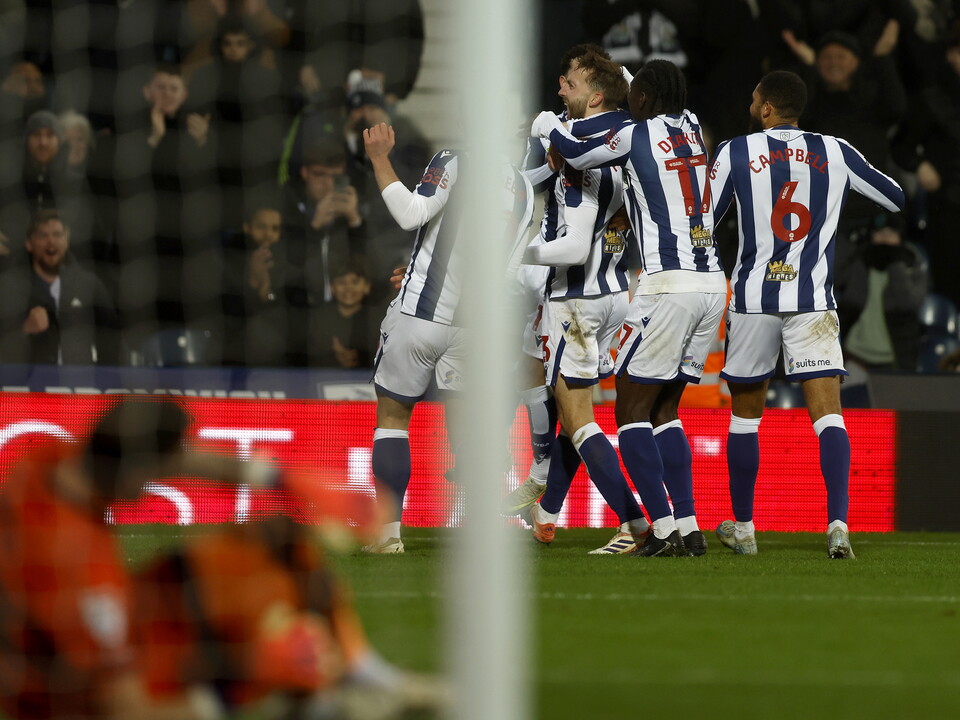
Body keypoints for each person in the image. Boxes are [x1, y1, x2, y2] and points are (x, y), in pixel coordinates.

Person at [707, 70, 905, 558]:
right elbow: (894, 198)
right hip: (812, 300)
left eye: (755, 99)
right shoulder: (835, 150)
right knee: (828, 417)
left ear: (768, 108)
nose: (751, 104)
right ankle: (838, 524)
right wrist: (833, 210)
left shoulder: (735, 151)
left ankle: (746, 530)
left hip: (754, 298)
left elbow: (703, 221)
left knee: (745, 418)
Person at [534, 58, 727, 557]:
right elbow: (650, 91)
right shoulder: (692, 129)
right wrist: (626, 77)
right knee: (666, 410)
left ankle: (660, 530)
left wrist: (546, 124)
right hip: (711, 287)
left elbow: (575, 152)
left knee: (631, 410)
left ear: (639, 102)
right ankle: (689, 526)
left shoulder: (636, 135)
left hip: (667, 286)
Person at [0, 397, 260, 719]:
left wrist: (268, 475)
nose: (160, 484)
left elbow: (168, 458)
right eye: (156, 476)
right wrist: (244, 686)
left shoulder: (45, 460)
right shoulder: (90, 585)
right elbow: (128, 712)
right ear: (136, 475)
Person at [360, 121, 533, 553]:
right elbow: (508, 276)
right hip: (477, 329)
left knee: (394, 418)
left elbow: (409, 215)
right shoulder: (524, 189)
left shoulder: (454, 161)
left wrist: (380, 158)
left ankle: (387, 536)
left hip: (422, 316)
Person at [518, 49, 656, 556]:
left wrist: (514, 257)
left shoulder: (578, 146)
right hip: (619, 293)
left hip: (576, 302)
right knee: (583, 416)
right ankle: (549, 512)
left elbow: (574, 244)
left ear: (595, 96)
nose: (559, 91)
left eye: (570, 84)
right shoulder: (631, 134)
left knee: (576, 420)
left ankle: (638, 524)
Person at [0, 209, 120, 365]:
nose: (51, 241)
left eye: (57, 234)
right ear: (29, 244)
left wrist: (106, 381)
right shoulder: (9, 287)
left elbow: (112, 341)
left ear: (67, 240)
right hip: (27, 385)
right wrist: (25, 330)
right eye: (43, 235)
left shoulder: (89, 284)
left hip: (81, 385)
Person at [835, 212, 929, 372]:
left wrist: (896, 264)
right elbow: (834, 278)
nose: (885, 238)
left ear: (901, 238)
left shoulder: (912, 263)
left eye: (891, 234)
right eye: (880, 233)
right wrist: (848, 242)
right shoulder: (862, 259)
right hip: (855, 354)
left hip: (895, 359)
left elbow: (909, 303)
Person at [310, 255, 381, 369]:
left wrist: (356, 359)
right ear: (332, 288)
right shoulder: (318, 317)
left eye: (355, 282)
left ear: (367, 287)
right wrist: (335, 358)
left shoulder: (377, 318)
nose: (348, 288)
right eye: (341, 282)